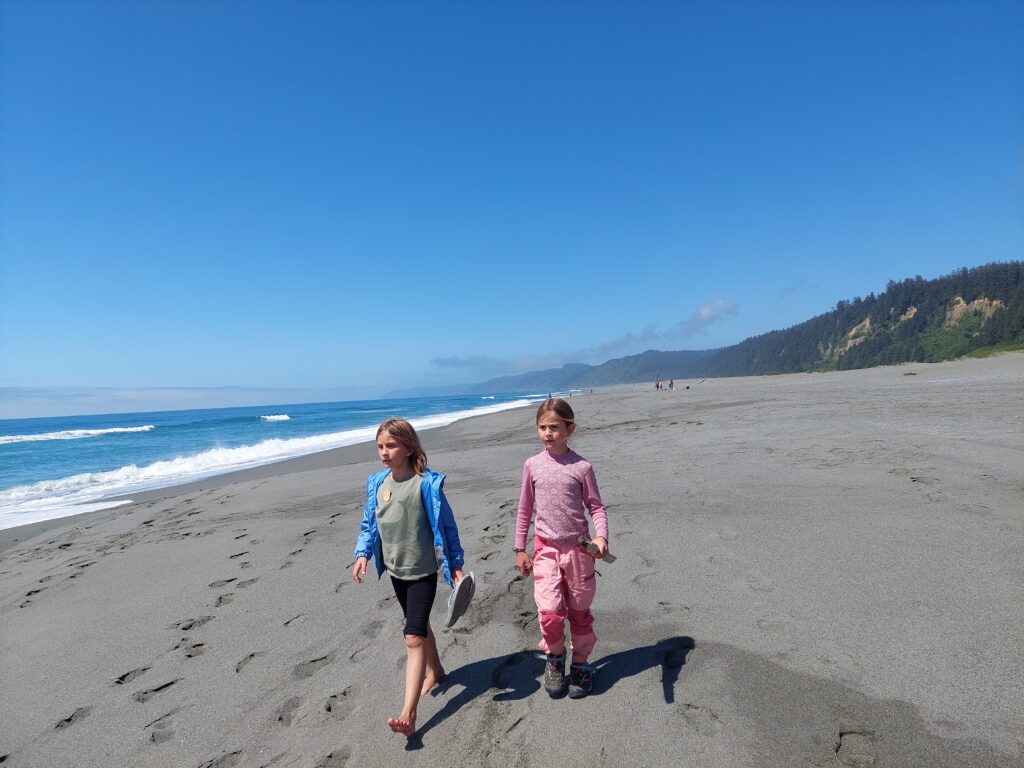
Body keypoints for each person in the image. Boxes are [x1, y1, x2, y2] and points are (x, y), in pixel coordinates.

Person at [352, 417, 466, 737]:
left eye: (391, 446)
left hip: (422, 572)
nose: (384, 452)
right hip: (395, 570)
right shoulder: (378, 483)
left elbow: (448, 528)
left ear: (409, 446)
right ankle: (437, 670)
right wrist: (363, 554)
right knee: (420, 624)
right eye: (380, 446)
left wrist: (456, 565)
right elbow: (369, 523)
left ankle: (409, 713)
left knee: (412, 637)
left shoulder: (426, 484)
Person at [514, 398, 608, 699]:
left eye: (554, 427)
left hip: (579, 551)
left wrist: (601, 538)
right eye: (542, 427)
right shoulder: (532, 465)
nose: (547, 433)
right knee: (550, 612)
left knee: (579, 612)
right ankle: (555, 659)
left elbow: (596, 507)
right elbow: (524, 509)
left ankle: (580, 662)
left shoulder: (582, 467)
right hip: (545, 549)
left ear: (570, 429)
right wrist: (520, 548)